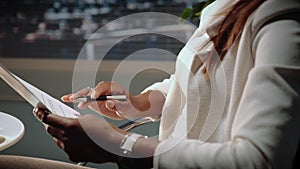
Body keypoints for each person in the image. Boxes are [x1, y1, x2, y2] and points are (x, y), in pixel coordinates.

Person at [1, 0, 299, 168]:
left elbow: (258, 161)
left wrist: (117, 145)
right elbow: (204, 81)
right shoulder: (230, 6)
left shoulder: (283, 22)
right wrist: (140, 102)